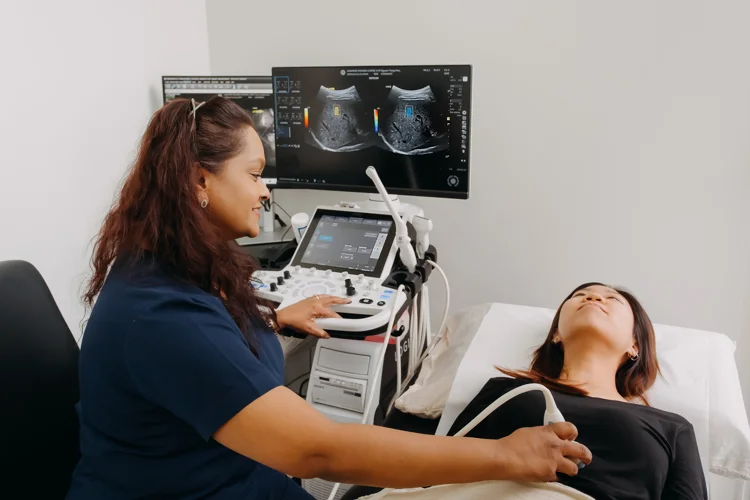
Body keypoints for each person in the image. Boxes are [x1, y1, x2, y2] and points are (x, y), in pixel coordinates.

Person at [66, 97, 591, 499]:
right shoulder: (161, 315)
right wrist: (501, 456)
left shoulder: (174, 264)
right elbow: (318, 448)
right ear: (198, 180)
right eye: (254, 174)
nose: (265, 190)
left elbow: (201, 352)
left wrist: (272, 320)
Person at [448, 282, 708, 500]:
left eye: (612, 299)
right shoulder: (508, 392)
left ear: (635, 345)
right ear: (556, 335)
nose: (594, 297)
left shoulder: (672, 428)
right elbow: (437, 471)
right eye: (579, 296)